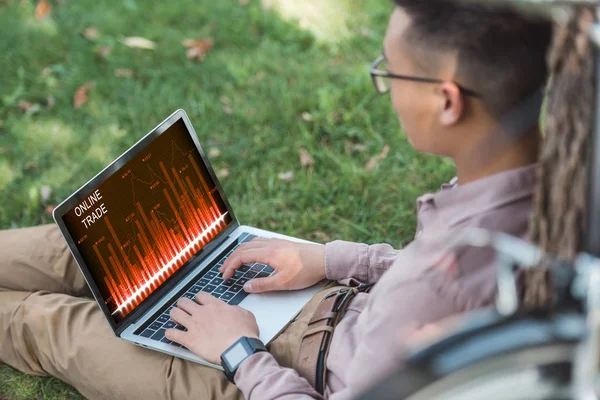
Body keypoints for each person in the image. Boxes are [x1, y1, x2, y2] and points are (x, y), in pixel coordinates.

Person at [0, 1, 552, 399]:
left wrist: (240, 352)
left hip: (264, 379)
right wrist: (327, 259)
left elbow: (436, 286)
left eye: (391, 72)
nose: (386, 88)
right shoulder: (538, 196)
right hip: (328, 302)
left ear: (446, 100)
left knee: (49, 322)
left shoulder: (441, 278)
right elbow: (440, 279)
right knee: (95, 250)